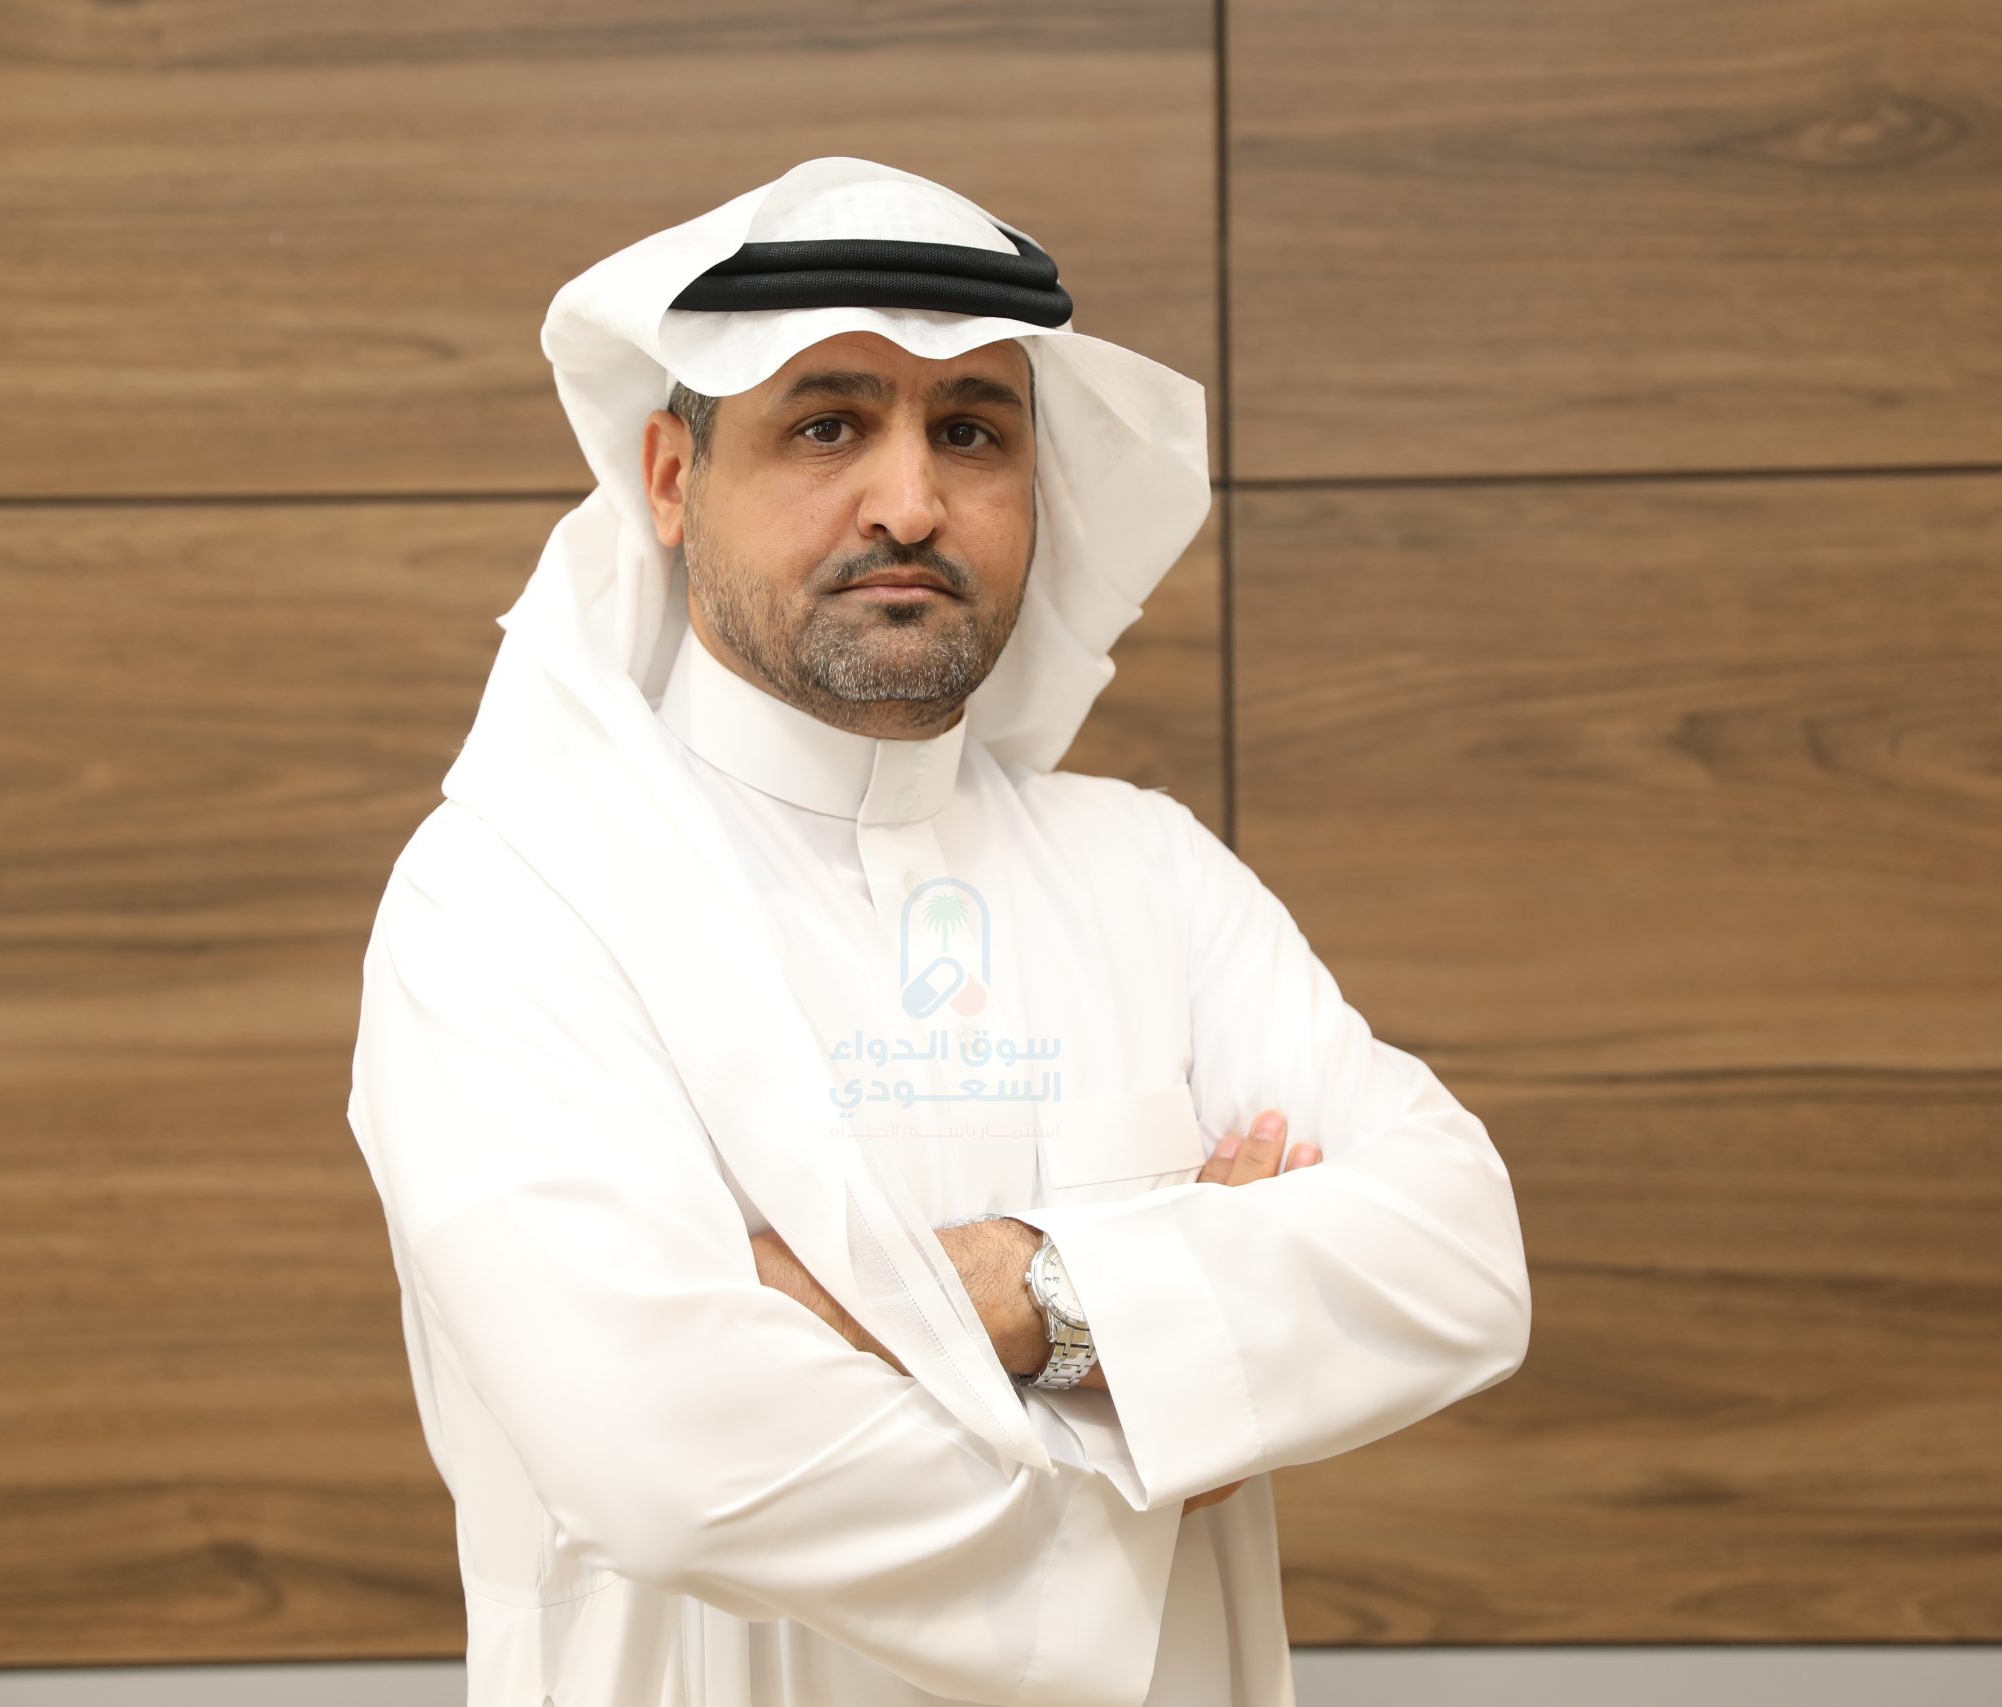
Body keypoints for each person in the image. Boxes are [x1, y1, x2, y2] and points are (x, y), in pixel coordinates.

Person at [345, 156, 1531, 1707]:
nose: (910, 503)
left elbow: (1459, 1257)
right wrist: (1181, 1382)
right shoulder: (513, 902)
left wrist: (1028, 1292)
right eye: (827, 425)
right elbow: (670, 1462)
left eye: (970, 431)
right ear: (671, 478)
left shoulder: (1148, 872)